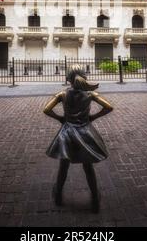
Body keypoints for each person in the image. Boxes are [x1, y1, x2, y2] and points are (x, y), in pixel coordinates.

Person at [43, 64, 113, 213]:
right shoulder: (90, 94)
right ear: (83, 76)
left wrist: (60, 118)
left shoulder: (62, 94)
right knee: (88, 167)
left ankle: (58, 195)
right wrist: (93, 117)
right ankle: (95, 199)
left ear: (68, 78)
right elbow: (108, 107)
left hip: (67, 132)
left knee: (64, 165)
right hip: (85, 132)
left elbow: (46, 109)